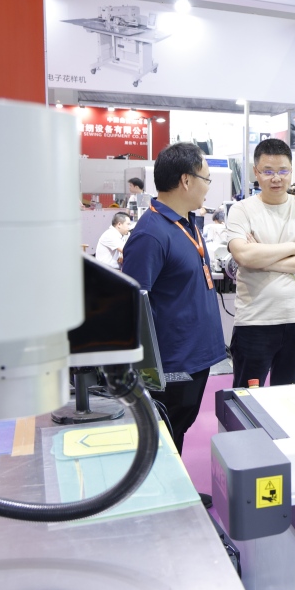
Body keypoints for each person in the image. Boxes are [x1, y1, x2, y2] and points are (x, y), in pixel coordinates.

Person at [121, 143, 225, 454]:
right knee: (165, 434)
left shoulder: (186, 222)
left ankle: (175, 483)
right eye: (206, 179)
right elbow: (132, 306)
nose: (208, 186)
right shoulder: (151, 234)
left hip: (195, 356)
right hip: (172, 363)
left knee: (179, 428)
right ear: (186, 180)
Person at [226, 139, 295, 387]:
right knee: (246, 397)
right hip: (254, 322)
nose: (276, 178)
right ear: (256, 172)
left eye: (283, 171)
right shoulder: (241, 210)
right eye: (268, 171)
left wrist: (264, 259)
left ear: (291, 171)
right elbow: (244, 256)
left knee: (286, 397)